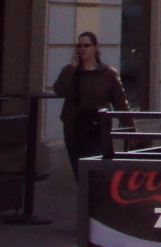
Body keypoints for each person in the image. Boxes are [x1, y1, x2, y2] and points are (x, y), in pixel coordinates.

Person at [54, 30, 129, 173]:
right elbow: (59, 90)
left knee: (96, 172)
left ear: (95, 47)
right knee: (80, 172)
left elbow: (120, 103)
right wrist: (71, 69)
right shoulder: (71, 71)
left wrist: (130, 128)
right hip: (74, 129)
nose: (82, 49)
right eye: (79, 46)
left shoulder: (108, 74)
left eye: (86, 45)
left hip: (97, 130)